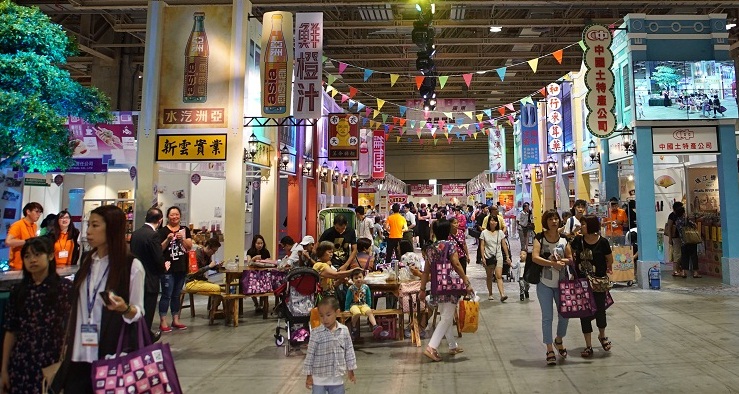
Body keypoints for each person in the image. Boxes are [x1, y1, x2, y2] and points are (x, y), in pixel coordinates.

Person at [59, 205, 145, 393]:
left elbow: (138, 313)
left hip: (110, 355)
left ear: (112, 229)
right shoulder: (87, 261)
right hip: (78, 354)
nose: (88, 231)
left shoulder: (131, 265)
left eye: (95, 226)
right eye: (88, 225)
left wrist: (124, 308)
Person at [1, 237, 73, 394]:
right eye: (27, 256)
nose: (32, 260)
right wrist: (4, 369)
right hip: (22, 360)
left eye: (37, 254)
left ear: (50, 256)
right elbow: (10, 330)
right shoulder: (19, 291)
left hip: (52, 358)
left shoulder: (64, 288)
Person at [419, 218, 473, 362]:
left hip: (437, 285)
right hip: (450, 284)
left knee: (445, 314)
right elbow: (456, 263)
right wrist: (466, 281)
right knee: (448, 316)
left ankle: (452, 345)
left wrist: (422, 288)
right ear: (447, 230)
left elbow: (425, 271)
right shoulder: (450, 245)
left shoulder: (430, 248)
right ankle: (431, 347)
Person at [532, 209, 572, 366]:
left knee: (565, 315)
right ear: (546, 221)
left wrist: (564, 261)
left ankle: (558, 339)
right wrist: (551, 263)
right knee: (547, 317)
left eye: (556, 218)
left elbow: (571, 258)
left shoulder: (564, 239)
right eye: (551, 219)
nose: (554, 221)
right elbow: (535, 257)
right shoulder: (539, 238)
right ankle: (549, 348)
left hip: (562, 283)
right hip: (545, 283)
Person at [570, 215, 614, 358]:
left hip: (598, 282)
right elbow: (571, 254)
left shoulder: (603, 242)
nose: (581, 226)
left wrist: (602, 272)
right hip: (582, 282)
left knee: (600, 310)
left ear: (591, 226)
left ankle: (602, 336)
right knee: (585, 313)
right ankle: (588, 346)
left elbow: (610, 259)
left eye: (584, 224)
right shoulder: (578, 240)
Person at [129, 207, 169, 336]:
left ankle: (137, 336)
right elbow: (157, 257)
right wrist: (164, 267)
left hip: (135, 278)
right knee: (148, 311)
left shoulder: (136, 233)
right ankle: (145, 338)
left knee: (137, 310)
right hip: (150, 279)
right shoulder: (153, 235)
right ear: (160, 220)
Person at [303, 296, 357, 393]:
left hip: (337, 379)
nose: (325, 319)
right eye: (321, 315)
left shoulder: (344, 330)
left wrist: (351, 370)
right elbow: (310, 355)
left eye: (328, 315)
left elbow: (349, 351)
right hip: (319, 379)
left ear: (337, 313)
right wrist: (308, 375)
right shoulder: (316, 333)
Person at [157, 206, 192, 332]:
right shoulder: (161, 231)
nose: (175, 217)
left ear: (180, 216)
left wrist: (181, 239)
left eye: (177, 214)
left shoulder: (185, 230)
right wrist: (168, 239)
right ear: (167, 217)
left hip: (181, 267)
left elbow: (189, 246)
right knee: (166, 294)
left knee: (176, 295)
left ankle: (176, 319)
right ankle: (163, 321)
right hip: (167, 268)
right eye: (172, 215)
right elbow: (159, 249)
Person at [345, 270, 384, 340]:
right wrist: (347, 309)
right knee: (357, 313)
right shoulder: (351, 288)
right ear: (352, 279)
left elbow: (369, 297)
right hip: (354, 305)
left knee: (369, 312)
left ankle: (375, 326)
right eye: (356, 278)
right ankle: (353, 326)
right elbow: (348, 299)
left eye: (360, 277)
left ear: (363, 277)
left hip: (363, 304)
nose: (358, 279)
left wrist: (369, 306)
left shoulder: (366, 287)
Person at [5, 202, 44, 270]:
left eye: (40, 212)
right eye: (37, 211)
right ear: (28, 211)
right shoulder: (18, 225)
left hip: (30, 264)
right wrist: (27, 242)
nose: (39, 214)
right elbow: (8, 242)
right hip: (18, 265)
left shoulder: (34, 225)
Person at [479, 214, 509, 302]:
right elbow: (482, 246)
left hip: (498, 256)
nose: (493, 222)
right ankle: (490, 293)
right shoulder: (484, 233)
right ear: (488, 222)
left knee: (499, 276)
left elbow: (504, 244)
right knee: (489, 276)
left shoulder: (500, 233)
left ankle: (502, 294)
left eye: (495, 221)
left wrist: (507, 256)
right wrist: (483, 257)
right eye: (491, 220)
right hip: (488, 256)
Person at [675, 205, 701, 278]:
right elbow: (695, 225)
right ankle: (695, 272)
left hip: (683, 241)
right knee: (694, 256)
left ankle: (683, 272)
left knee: (684, 257)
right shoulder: (686, 220)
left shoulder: (677, 221)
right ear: (683, 213)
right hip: (691, 240)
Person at [667, 202, 684, 277]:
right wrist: (670, 238)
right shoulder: (672, 215)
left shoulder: (681, 214)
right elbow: (669, 227)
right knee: (677, 253)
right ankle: (675, 270)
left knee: (679, 253)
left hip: (681, 237)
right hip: (676, 237)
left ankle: (678, 269)